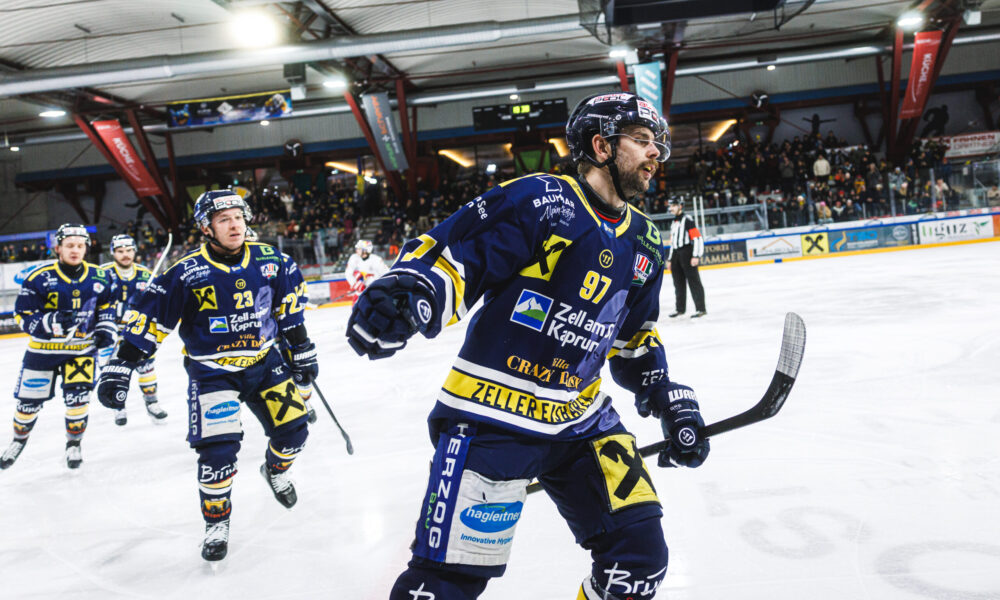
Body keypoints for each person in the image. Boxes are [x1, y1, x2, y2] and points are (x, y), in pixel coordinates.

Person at [346, 92, 710, 599]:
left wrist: (665, 394)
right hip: (492, 416)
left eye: (657, 144)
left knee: (640, 561)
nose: (655, 153)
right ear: (601, 146)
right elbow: (457, 255)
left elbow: (633, 337)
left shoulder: (646, 241)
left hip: (583, 419)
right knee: (446, 585)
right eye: (642, 140)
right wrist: (411, 294)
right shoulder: (544, 200)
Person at [96, 190, 318, 561]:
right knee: (218, 457)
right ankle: (217, 523)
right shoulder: (186, 272)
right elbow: (149, 321)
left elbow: (289, 310)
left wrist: (301, 350)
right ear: (206, 228)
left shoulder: (272, 260)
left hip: (265, 363)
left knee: (295, 433)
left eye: (238, 217)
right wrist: (121, 366)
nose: (234, 225)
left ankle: (275, 471)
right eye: (223, 220)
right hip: (213, 374)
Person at [1, 224, 118, 470]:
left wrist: (106, 329)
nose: (75, 250)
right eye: (69, 245)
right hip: (43, 352)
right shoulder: (38, 277)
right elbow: (22, 315)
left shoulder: (101, 276)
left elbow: (107, 308)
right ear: (58, 248)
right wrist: (51, 322)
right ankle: (18, 440)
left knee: (78, 401)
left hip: (82, 350)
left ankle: (74, 444)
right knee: (27, 404)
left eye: (80, 245)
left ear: (86, 248)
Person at [99, 234, 167, 425]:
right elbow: (94, 302)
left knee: (146, 368)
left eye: (129, 250)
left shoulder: (146, 274)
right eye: (120, 251)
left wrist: (141, 311)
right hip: (110, 332)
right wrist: (115, 314)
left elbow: (156, 302)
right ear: (113, 253)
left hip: (137, 332)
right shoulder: (102, 273)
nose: (125, 254)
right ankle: (117, 406)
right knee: (113, 371)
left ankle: (152, 403)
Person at [666, 199, 707, 318]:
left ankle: (701, 309)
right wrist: (670, 259)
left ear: (680, 206)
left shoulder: (687, 219)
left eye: (674, 205)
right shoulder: (674, 222)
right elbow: (673, 243)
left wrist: (696, 255)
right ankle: (680, 309)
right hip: (676, 254)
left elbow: (697, 238)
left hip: (687, 252)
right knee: (678, 283)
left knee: (694, 282)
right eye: (670, 206)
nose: (671, 208)